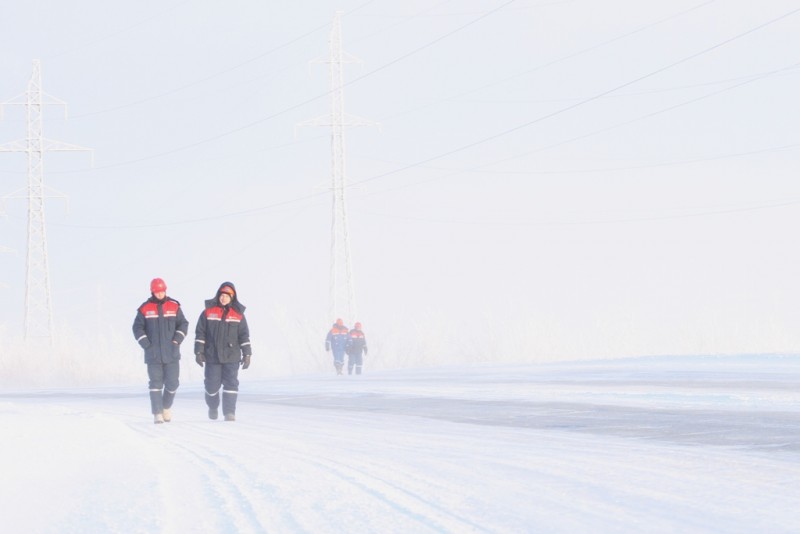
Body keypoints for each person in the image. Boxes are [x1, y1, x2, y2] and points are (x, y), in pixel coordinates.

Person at [132, 277, 189, 424]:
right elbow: (137, 328)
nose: (160, 294)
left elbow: (183, 324)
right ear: (152, 292)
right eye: (157, 292)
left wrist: (177, 340)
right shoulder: (144, 308)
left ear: (165, 290)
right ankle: (157, 413)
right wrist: (146, 344)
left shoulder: (174, 306)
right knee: (155, 384)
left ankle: (166, 407)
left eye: (162, 291)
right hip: (153, 355)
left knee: (173, 383)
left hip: (172, 353)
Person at [194, 282, 252, 422]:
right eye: (222, 295)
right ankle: (213, 407)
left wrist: (247, 354)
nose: (223, 298)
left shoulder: (238, 315)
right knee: (211, 386)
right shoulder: (208, 312)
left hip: (232, 357)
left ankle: (229, 413)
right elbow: (200, 333)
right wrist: (198, 352)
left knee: (231, 384)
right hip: (212, 356)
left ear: (232, 297)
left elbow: (244, 336)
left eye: (227, 296)